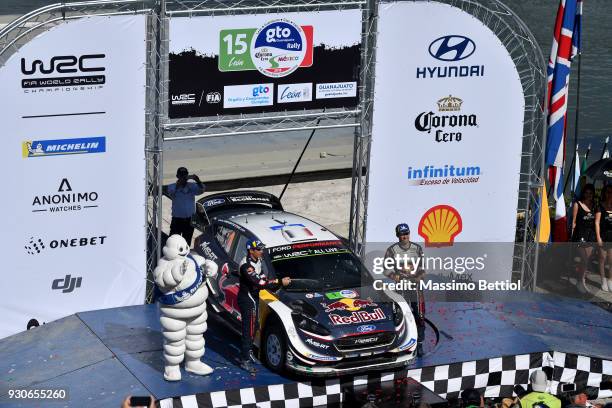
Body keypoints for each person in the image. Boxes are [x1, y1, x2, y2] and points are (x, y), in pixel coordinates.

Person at [237, 239, 291, 374]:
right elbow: (259, 282)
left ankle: (248, 353)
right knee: (248, 330)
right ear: (251, 251)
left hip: (254, 298)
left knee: (254, 327)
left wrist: (275, 285)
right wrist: (279, 281)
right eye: (259, 249)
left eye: (262, 249)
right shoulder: (246, 265)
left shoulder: (257, 261)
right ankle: (244, 360)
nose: (262, 251)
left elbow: (262, 277)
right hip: (247, 300)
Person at [383, 223, 426, 355]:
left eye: (406, 233)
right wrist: (395, 276)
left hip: (415, 287)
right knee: (402, 315)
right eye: (402, 234)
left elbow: (423, 268)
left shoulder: (417, 248)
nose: (404, 236)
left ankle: (419, 344)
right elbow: (385, 269)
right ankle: (404, 343)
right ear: (398, 235)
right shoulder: (392, 250)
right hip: (401, 286)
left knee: (420, 315)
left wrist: (419, 277)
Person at [167, 167, 205, 247]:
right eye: (181, 176)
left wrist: (197, 180)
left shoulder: (192, 186)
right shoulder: (171, 186)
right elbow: (171, 192)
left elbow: (202, 190)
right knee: (173, 242)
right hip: (177, 220)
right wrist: (179, 184)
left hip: (189, 220)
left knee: (187, 242)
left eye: (185, 176)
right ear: (177, 176)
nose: (183, 178)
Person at [571, 183, 596, 294]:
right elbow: (574, 221)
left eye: (590, 193)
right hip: (579, 235)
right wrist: (571, 235)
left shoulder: (594, 205)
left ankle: (581, 281)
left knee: (586, 261)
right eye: (586, 192)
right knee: (584, 259)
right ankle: (580, 281)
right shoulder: (578, 204)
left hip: (590, 236)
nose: (588, 195)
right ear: (583, 193)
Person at [595, 184, 612, 292]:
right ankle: (603, 280)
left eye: (611, 192)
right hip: (603, 236)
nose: (610, 194)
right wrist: (598, 238)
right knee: (602, 259)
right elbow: (597, 222)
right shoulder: (600, 206)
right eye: (608, 192)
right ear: (604, 194)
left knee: (611, 261)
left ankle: (610, 280)